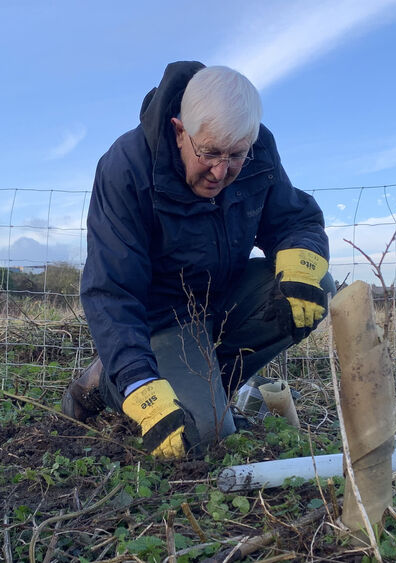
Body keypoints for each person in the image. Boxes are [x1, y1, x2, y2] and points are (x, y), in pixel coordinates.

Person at [62, 61, 335, 459]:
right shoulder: (127, 167)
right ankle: (109, 377)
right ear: (179, 131)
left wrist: (301, 257)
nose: (221, 171)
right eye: (208, 153)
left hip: (223, 298)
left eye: (235, 155)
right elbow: (112, 291)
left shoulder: (258, 149)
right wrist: (140, 383)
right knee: (201, 438)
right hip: (163, 318)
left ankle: (207, 390)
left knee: (315, 286)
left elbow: (294, 219)